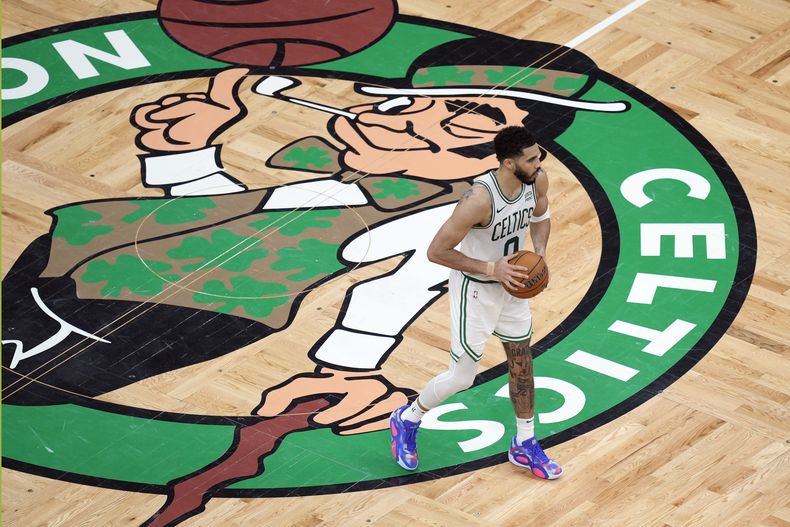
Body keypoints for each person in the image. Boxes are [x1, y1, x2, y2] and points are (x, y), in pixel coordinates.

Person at [389, 125, 563, 480]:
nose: (539, 162)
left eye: (538, 154)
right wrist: (490, 268)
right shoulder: (479, 199)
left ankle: (525, 444)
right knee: (462, 377)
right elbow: (437, 251)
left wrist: (540, 254)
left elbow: (541, 218)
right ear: (509, 163)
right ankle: (408, 418)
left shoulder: (537, 181)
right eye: (531, 159)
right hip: (476, 288)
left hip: (512, 285)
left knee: (522, 362)